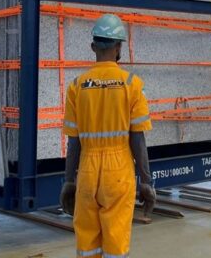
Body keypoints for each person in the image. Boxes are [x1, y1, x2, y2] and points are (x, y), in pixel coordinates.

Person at [61, 14, 156, 258]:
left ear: (93, 47)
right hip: (119, 172)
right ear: (119, 47)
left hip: (87, 173)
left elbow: (74, 143)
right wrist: (146, 182)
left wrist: (69, 181)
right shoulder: (132, 84)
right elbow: (138, 140)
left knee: (87, 243)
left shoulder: (76, 86)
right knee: (115, 243)